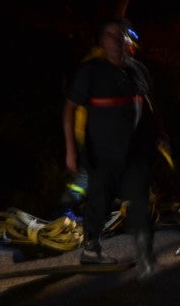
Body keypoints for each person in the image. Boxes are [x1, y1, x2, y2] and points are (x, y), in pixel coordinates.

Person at [63, 17, 165, 277]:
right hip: (101, 153)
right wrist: (71, 150)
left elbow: (148, 104)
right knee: (100, 200)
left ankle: (145, 253)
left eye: (120, 35)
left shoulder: (138, 70)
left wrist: (160, 135)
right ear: (102, 41)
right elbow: (69, 109)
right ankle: (91, 249)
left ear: (127, 40)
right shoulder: (90, 71)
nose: (116, 41)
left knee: (140, 198)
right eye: (110, 36)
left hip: (135, 151)